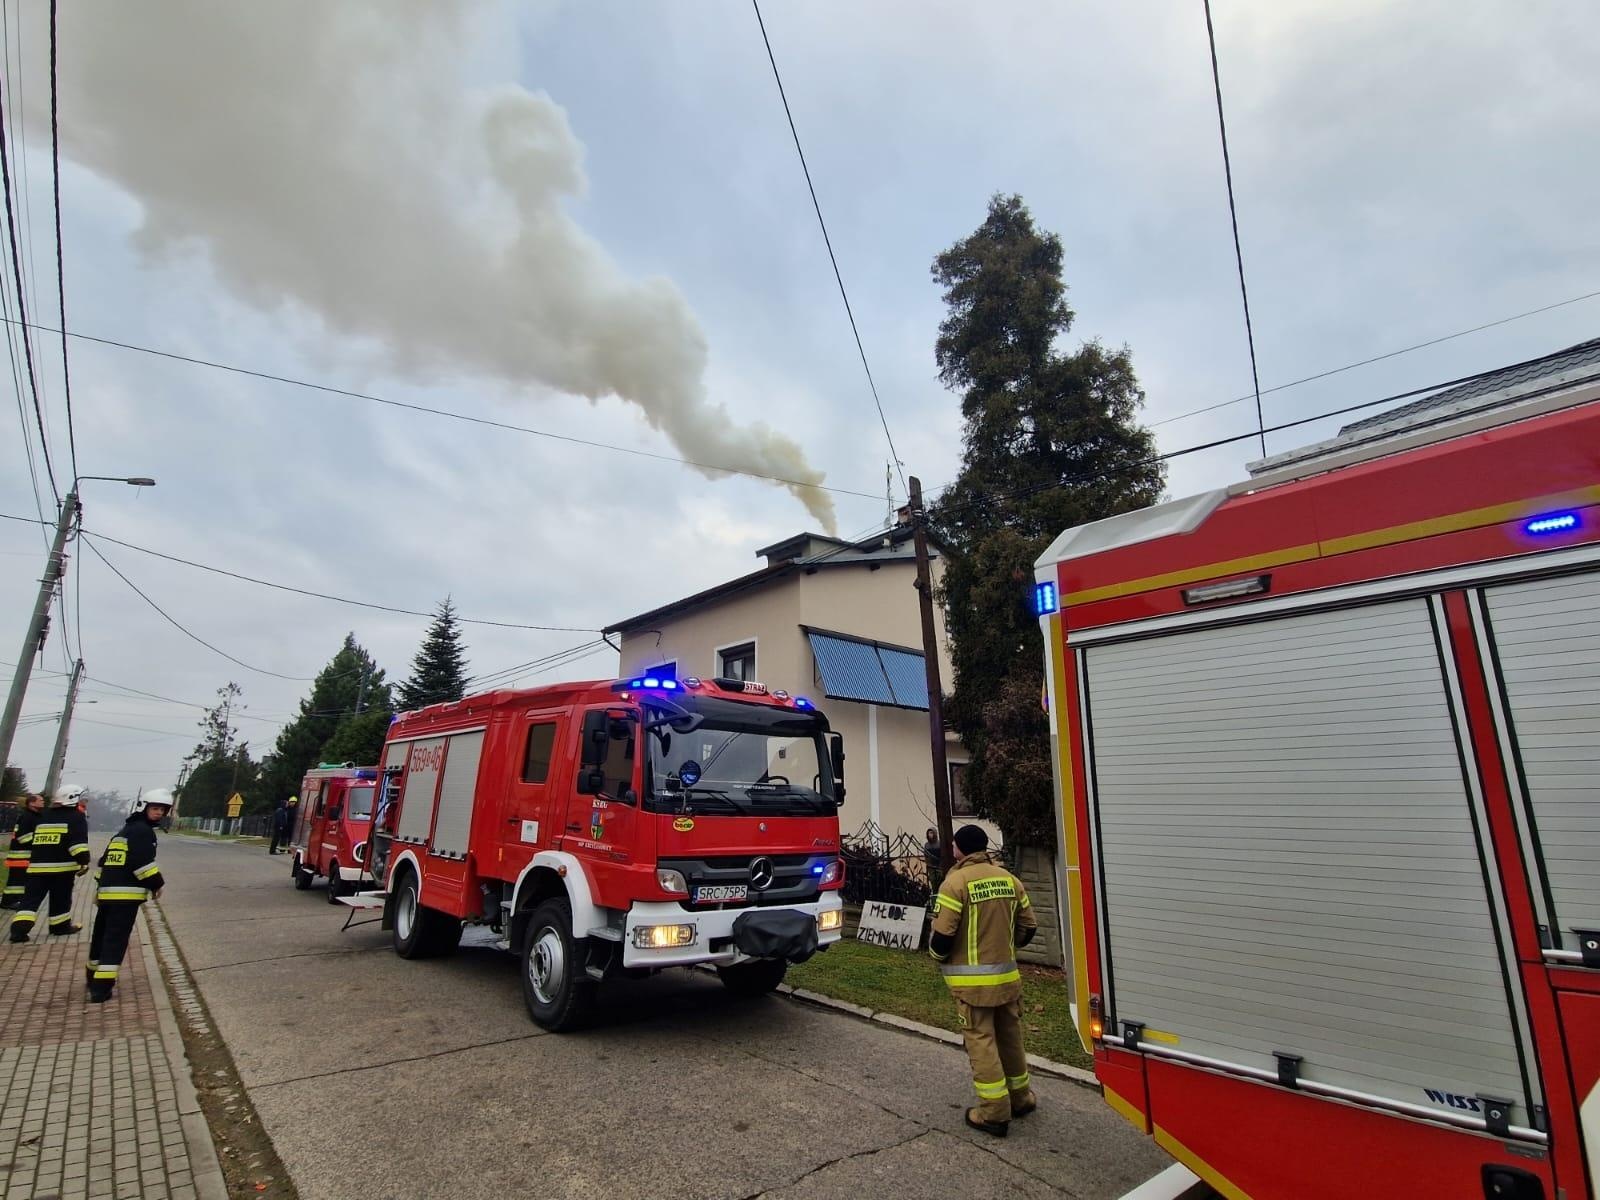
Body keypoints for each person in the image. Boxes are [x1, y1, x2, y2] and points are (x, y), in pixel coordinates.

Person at [928, 824, 1038, 1138]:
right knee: (1010, 1039)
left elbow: (942, 938)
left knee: (982, 1043)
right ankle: (1021, 1099)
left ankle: (993, 1113)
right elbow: (1029, 928)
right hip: (1008, 980)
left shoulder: (955, 883)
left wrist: (938, 957)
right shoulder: (1009, 879)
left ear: (960, 849)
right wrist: (1004, 947)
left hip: (973, 987)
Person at [86, 788, 171, 1003]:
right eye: (155, 808)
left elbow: (105, 861)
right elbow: (142, 864)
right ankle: (101, 988)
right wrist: (157, 884)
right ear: (144, 808)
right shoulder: (143, 832)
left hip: (107, 894)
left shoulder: (125, 831)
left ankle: (92, 976)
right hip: (125, 897)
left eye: (162, 810)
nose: (159, 813)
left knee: (100, 936)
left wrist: (99, 890)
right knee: (115, 940)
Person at [8, 785, 92, 942]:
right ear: (72, 799)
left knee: (30, 900)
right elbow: (77, 845)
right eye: (80, 799)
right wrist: (84, 862)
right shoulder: (76, 817)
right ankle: (60, 927)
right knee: (61, 898)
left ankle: (18, 931)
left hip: (37, 867)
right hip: (62, 869)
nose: (83, 802)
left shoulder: (44, 815)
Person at [2, 793, 47, 910]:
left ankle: (15, 900)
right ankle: (9, 902)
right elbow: (22, 837)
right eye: (40, 800)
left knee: (21, 882)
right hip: (20, 857)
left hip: (26, 857)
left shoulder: (35, 816)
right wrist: (39, 840)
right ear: (31, 803)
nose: (43, 802)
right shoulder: (27, 817)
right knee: (16, 883)